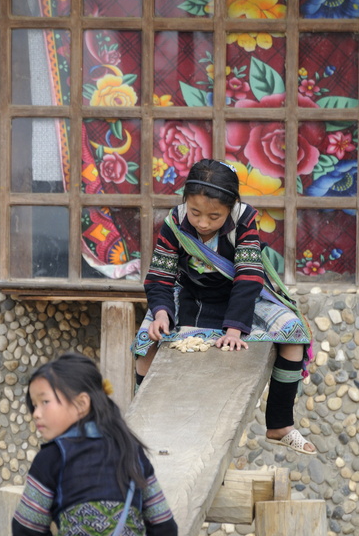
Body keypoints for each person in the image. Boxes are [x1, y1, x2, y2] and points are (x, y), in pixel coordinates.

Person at [132, 159, 316, 455]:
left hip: (239, 300)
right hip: (189, 296)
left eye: (214, 216)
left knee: (293, 333)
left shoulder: (245, 220)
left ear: (231, 208)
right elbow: (160, 275)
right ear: (185, 203)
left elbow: (248, 275)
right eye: (195, 213)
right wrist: (162, 313)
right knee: (145, 346)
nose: (203, 223)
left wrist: (235, 328)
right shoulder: (174, 223)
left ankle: (280, 424)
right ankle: (141, 431)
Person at [12, 352, 178, 536]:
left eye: (44, 402)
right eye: (34, 405)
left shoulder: (52, 457)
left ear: (82, 404)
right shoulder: (130, 450)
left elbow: (28, 532)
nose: (36, 413)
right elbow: (163, 526)